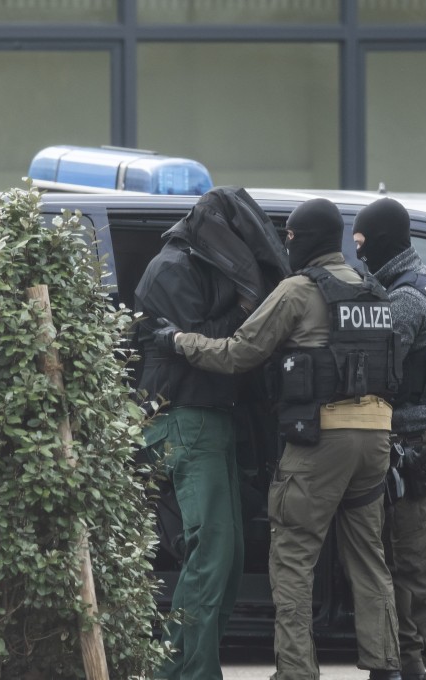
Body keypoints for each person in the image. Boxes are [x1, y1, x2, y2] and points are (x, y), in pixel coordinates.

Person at [152, 197, 404, 680]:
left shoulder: (298, 291)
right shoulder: (374, 291)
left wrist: (178, 341)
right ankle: (386, 667)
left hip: (322, 441)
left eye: (291, 236)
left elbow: (238, 353)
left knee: (292, 559)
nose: (286, 244)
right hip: (375, 441)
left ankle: (295, 671)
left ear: (306, 239)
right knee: (370, 560)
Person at [135, 186, 290, 680]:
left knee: (230, 554)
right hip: (185, 417)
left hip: (213, 421)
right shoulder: (172, 268)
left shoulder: (202, 267)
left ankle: (184, 665)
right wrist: (250, 310)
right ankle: (187, 671)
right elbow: (210, 346)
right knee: (213, 549)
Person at [352, 197, 426, 680]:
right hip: (416, 438)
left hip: (416, 442)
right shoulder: (417, 277)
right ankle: (412, 664)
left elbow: (370, 369)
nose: (359, 255)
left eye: (362, 245)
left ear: (381, 241)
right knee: (401, 561)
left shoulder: (406, 299)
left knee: (420, 565)